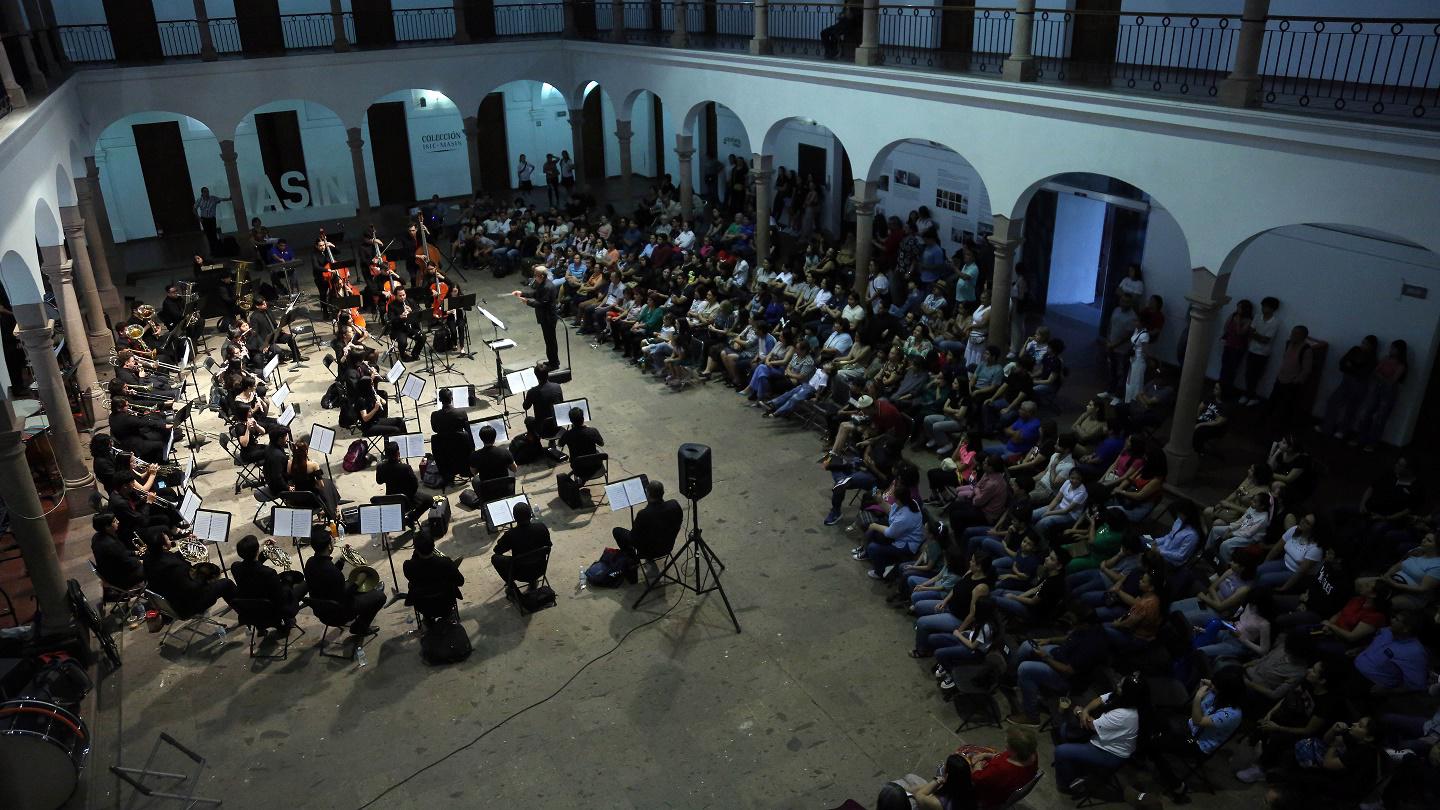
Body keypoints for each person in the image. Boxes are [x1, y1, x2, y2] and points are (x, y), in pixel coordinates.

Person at [1054, 673, 1149, 795]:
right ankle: (1075, 766)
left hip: (1111, 752)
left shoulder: (1124, 715)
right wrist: (1086, 711)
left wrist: (1079, 712)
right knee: (1064, 730)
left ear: (1126, 693)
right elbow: (1099, 699)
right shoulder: (1121, 697)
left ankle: (1066, 785)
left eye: (1121, 685)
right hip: (1103, 737)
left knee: (1061, 751)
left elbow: (1092, 725)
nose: (1117, 683)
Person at [304, 532, 384, 637]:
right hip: (339, 613)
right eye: (332, 541)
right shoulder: (332, 571)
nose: (334, 543)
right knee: (380, 596)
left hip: (321, 610)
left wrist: (342, 560)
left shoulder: (310, 563)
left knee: (362, 589)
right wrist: (359, 581)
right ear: (329, 546)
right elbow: (346, 595)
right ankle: (359, 627)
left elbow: (328, 577)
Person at [143, 529, 236, 618]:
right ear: (163, 546)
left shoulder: (148, 559)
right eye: (168, 540)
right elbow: (193, 589)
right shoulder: (176, 567)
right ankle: (244, 611)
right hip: (186, 607)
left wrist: (191, 544)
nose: (170, 540)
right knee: (226, 583)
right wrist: (206, 580)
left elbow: (173, 557)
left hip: (168, 602)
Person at [612, 480, 684, 577]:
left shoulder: (644, 514)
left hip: (647, 551)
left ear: (648, 494)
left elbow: (634, 539)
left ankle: (633, 559)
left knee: (617, 531)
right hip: (667, 546)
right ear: (663, 493)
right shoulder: (674, 505)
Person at [230, 534, 305, 622]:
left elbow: (251, 565)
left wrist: (266, 550)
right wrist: (287, 581)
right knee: (302, 583)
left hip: (252, 608)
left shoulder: (235, 567)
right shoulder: (269, 573)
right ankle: (287, 620)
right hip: (273, 610)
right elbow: (280, 596)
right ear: (257, 551)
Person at [403, 530, 465, 625]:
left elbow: (413, 579)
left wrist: (415, 557)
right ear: (433, 546)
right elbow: (460, 582)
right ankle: (447, 616)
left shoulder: (408, 566)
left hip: (423, 607)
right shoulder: (445, 563)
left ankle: (428, 619)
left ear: (416, 549)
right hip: (447, 603)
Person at [491, 502, 552, 593]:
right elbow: (548, 546)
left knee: (495, 558)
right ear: (530, 515)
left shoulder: (511, 534)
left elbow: (497, 550)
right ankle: (532, 582)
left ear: (514, 518)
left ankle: (511, 586)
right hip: (540, 568)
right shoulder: (541, 527)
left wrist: (505, 538)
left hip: (520, 573)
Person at [513, 265, 560, 368]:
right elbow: (535, 294)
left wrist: (527, 302)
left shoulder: (547, 287)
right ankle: (552, 361)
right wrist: (522, 293)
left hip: (548, 318)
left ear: (542, 276)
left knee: (551, 341)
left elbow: (542, 303)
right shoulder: (542, 284)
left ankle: (554, 363)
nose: (534, 277)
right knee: (548, 341)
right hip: (545, 317)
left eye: (536, 275)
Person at [376, 441, 430, 525]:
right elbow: (415, 485)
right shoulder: (405, 467)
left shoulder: (380, 467)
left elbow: (379, 481)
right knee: (429, 500)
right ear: (398, 453)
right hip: (406, 500)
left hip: (390, 499)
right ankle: (411, 518)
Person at [1242, 296, 1282, 405]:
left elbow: (1265, 340)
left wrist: (1255, 335)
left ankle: (1252, 396)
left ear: (1272, 309)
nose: (1263, 308)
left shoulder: (1275, 322)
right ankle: (1248, 395)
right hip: (1252, 349)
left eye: (1266, 307)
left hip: (1263, 353)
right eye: (1263, 306)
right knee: (1248, 374)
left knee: (1255, 375)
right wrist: (1258, 336)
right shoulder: (1257, 317)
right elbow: (1251, 332)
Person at [429, 387, 474, 485]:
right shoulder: (461, 413)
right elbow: (467, 430)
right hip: (460, 452)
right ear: (452, 398)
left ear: (440, 400)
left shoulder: (434, 415)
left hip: (444, 454)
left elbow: (435, 430)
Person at [91, 512, 144, 589]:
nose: (118, 521)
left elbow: (121, 554)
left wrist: (135, 552)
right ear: (107, 527)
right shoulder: (110, 544)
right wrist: (140, 562)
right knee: (152, 566)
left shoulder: (96, 537)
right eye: (114, 521)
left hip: (111, 572)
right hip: (121, 578)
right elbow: (128, 564)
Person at [558, 405, 605, 480]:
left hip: (577, 467)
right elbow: (601, 444)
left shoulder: (568, 434)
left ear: (571, 421)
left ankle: (580, 480)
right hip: (594, 466)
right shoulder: (592, 431)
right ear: (583, 419)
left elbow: (559, 444)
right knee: (597, 451)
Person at [193, 186, 230, 254]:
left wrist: (229, 198)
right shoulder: (199, 200)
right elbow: (194, 209)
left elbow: (221, 199)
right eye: (205, 192)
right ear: (202, 193)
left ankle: (217, 250)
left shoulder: (213, 198)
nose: (207, 193)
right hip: (204, 220)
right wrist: (199, 218)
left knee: (213, 234)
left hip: (212, 219)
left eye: (207, 191)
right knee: (208, 235)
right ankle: (212, 251)